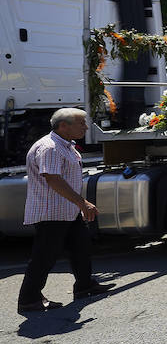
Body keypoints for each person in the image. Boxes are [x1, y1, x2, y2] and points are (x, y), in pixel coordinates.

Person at [17, 108, 114, 314]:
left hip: (66, 210)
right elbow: (53, 179)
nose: (86, 127)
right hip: (51, 212)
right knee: (45, 256)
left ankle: (84, 286)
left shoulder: (65, 146)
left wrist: (78, 204)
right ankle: (28, 299)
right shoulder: (50, 147)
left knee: (80, 247)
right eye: (81, 124)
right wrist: (82, 203)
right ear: (63, 126)